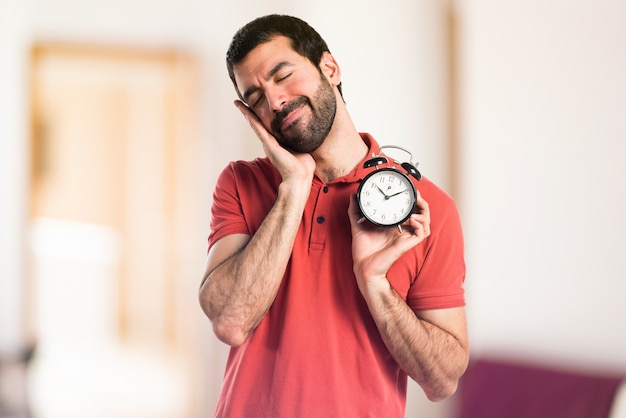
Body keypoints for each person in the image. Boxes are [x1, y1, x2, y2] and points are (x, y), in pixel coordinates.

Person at [199, 14, 469, 418]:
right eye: (255, 97)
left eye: (282, 75)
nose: (274, 101)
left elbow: (442, 380)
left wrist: (376, 284)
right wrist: (293, 187)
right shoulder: (241, 182)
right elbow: (230, 322)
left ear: (329, 67)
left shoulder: (426, 208)